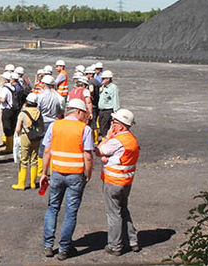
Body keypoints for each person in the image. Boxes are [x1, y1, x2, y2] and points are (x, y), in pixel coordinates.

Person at [40, 98, 95, 261]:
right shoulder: (84, 129)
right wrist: (88, 173)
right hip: (75, 175)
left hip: (56, 172)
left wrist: (44, 172)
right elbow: (88, 156)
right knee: (71, 211)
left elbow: (47, 151)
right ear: (78, 111)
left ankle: (48, 246)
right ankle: (64, 249)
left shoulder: (54, 125)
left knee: (52, 207)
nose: (86, 116)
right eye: (84, 113)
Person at [96, 108, 140, 256]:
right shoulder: (132, 139)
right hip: (126, 182)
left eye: (114, 122)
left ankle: (115, 245)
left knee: (113, 214)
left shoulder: (116, 141)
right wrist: (107, 158)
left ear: (121, 125)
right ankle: (132, 241)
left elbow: (99, 151)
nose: (111, 124)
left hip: (113, 182)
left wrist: (107, 137)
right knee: (123, 210)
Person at [12, 93, 44, 190]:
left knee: (24, 160)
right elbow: (41, 125)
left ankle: (21, 183)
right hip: (36, 137)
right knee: (34, 159)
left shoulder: (23, 113)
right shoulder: (38, 112)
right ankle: (33, 183)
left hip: (25, 136)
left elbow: (18, 129)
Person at [36, 74, 64, 177]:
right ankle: (52, 170)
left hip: (43, 122)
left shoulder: (40, 97)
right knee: (53, 147)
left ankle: (40, 171)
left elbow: (37, 111)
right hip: (54, 122)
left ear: (44, 84)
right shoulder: (57, 97)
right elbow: (60, 111)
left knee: (42, 147)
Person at [0, 71, 17, 153]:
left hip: (6, 110)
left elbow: (3, 99)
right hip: (12, 109)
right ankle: (11, 145)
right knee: (11, 128)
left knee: (7, 128)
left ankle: (9, 148)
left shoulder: (5, 88)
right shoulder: (12, 87)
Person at [97, 70, 120, 141]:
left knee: (104, 127)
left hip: (108, 110)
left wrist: (115, 111)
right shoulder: (102, 87)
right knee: (101, 125)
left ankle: (105, 141)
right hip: (101, 110)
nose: (102, 80)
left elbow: (115, 99)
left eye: (103, 78)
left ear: (108, 79)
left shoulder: (113, 87)